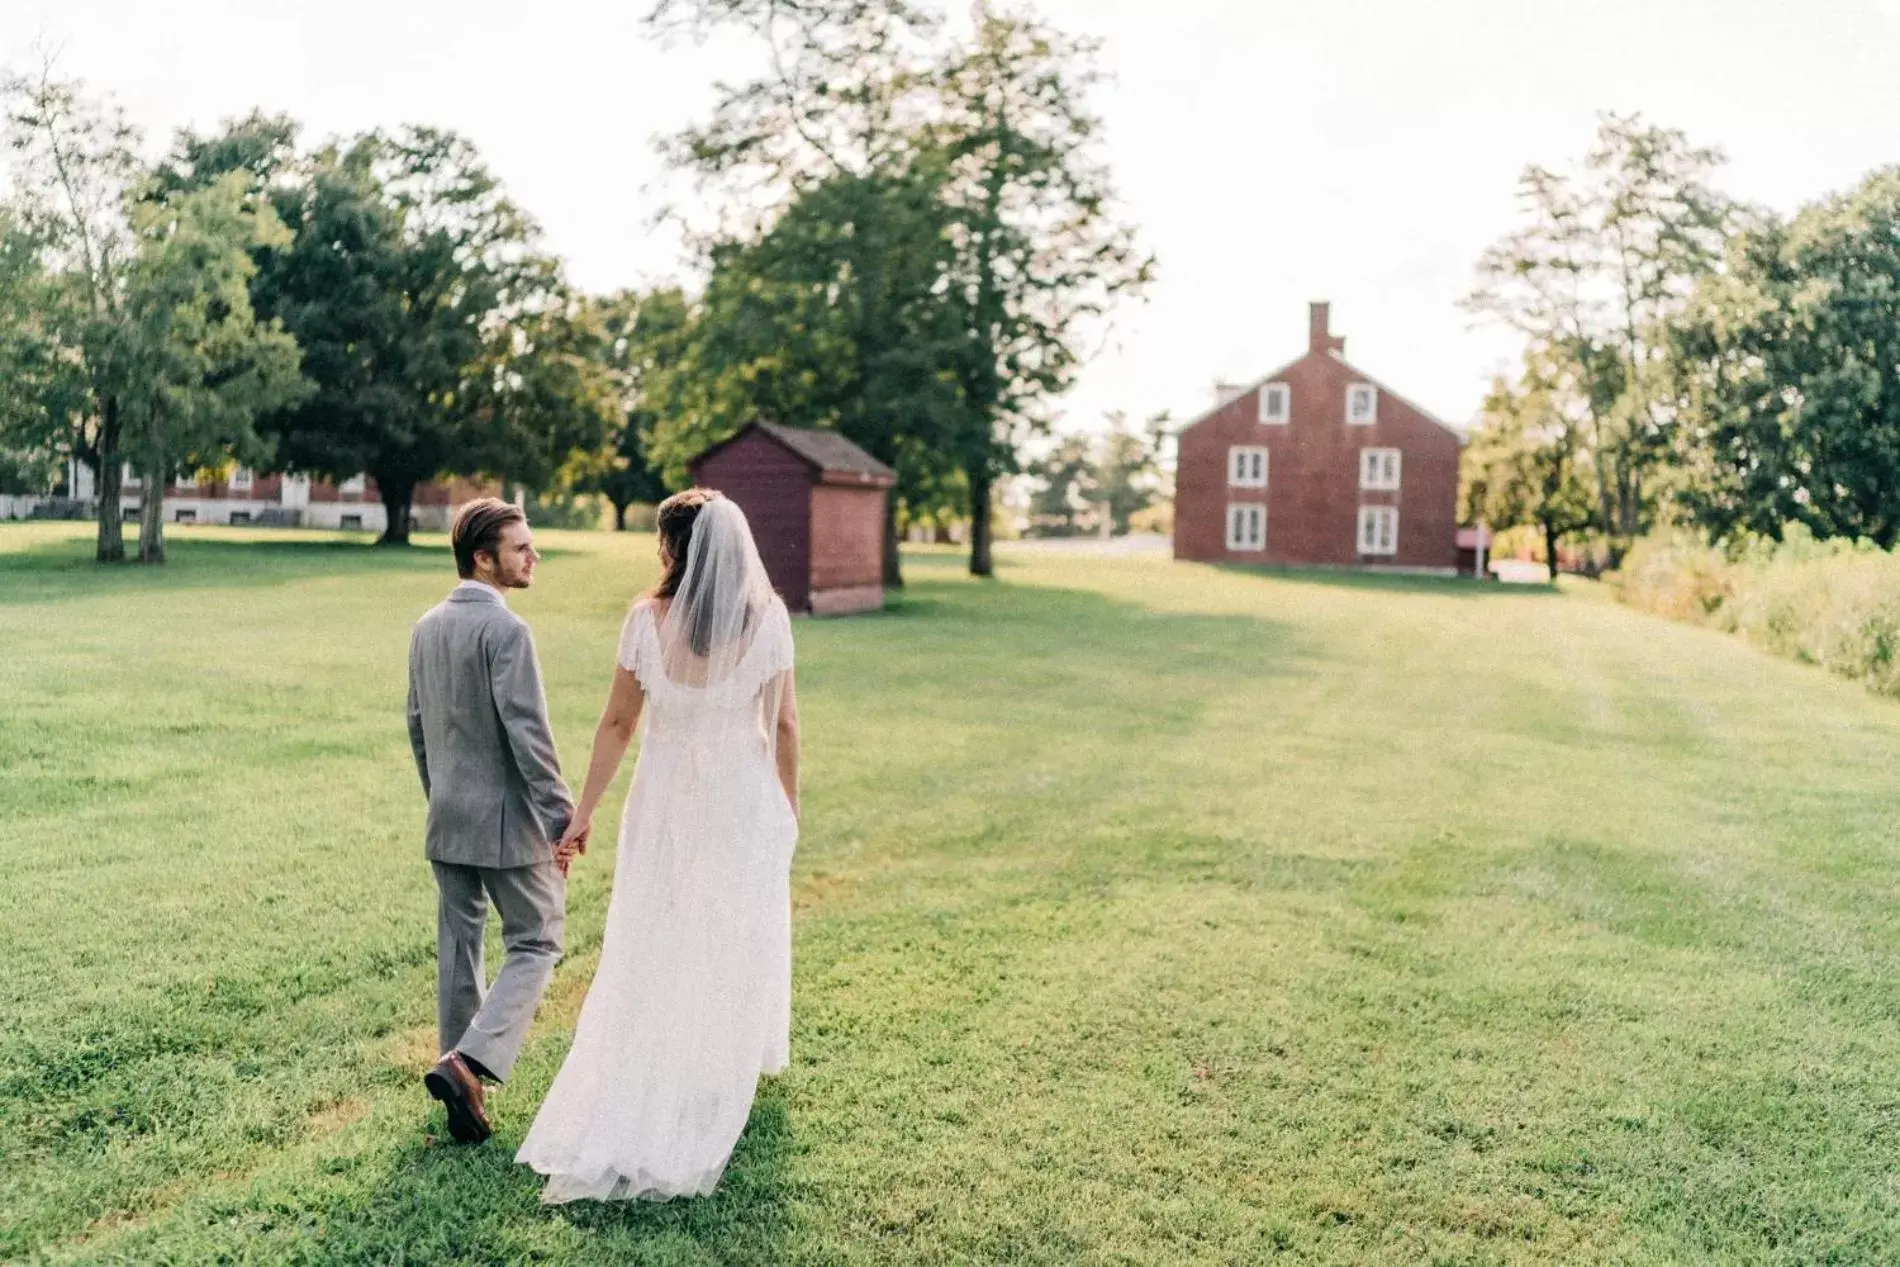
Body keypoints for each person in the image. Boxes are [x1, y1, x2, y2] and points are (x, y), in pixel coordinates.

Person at [517, 488, 801, 1203]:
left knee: (656, 926)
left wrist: (582, 812)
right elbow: (787, 727)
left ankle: (660, 1061)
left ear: (674, 549)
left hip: (663, 800)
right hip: (739, 795)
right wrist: (786, 807)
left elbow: (616, 724)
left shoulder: (646, 620)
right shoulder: (768, 620)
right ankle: (712, 1065)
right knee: (728, 925)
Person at [406, 498, 578, 1145]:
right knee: (538, 938)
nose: (534, 556)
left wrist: (442, 796)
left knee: (459, 946)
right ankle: (468, 1060)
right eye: (521, 547)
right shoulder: (508, 632)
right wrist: (563, 820)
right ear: (484, 557)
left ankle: (462, 1090)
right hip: (506, 824)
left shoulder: (425, 627)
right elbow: (530, 737)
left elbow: (416, 725)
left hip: (446, 816)